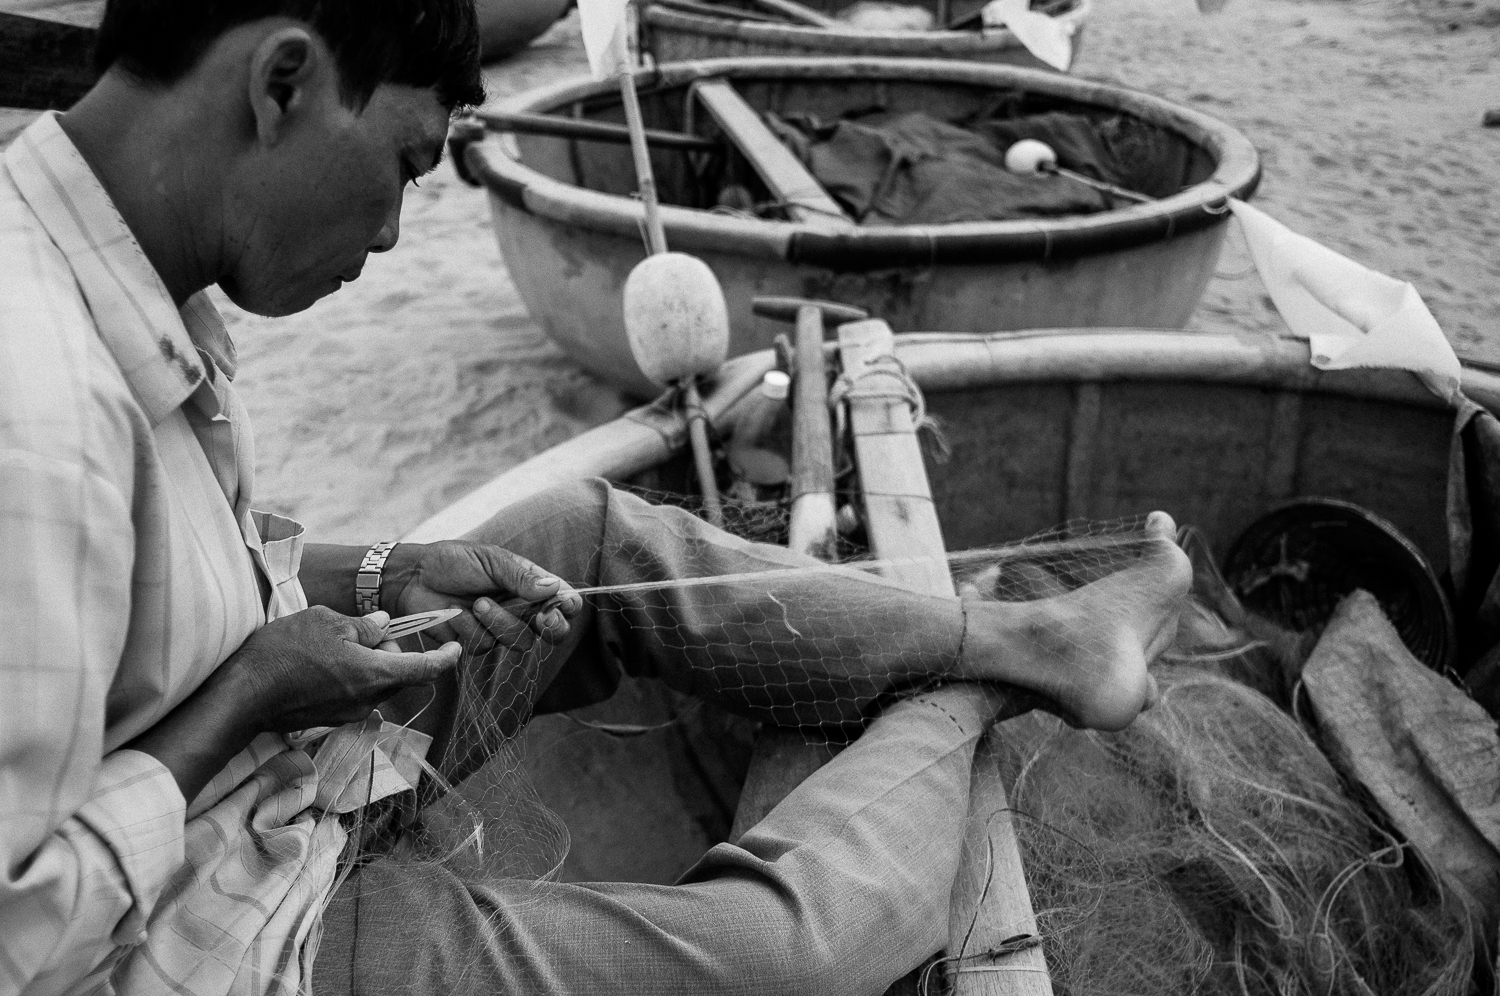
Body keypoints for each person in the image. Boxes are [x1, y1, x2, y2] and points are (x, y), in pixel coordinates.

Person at [0, 2, 1192, 994]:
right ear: (283, 83)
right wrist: (263, 682)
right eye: (406, 164)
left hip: (273, 786)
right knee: (783, 955)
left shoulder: (129, 277)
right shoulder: (35, 417)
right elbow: (24, 934)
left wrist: (379, 578)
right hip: (213, 943)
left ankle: (1021, 638)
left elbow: (185, 576)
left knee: (584, 535)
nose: (393, 230)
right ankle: (989, 684)